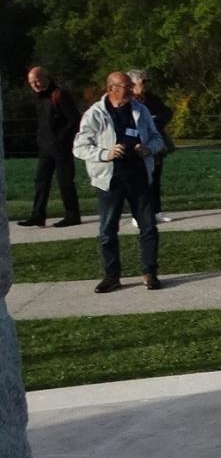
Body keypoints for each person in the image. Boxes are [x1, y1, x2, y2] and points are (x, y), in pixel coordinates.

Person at [73, 72, 168, 292]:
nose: (133, 90)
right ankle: (111, 275)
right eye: (127, 86)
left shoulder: (140, 110)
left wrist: (148, 149)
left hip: (139, 175)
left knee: (148, 226)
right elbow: (79, 147)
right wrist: (106, 153)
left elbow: (157, 138)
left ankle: (150, 272)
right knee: (107, 229)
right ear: (112, 88)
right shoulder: (94, 114)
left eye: (132, 86)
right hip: (109, 179)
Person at [19, 67, 81, 228]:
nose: (35, 84)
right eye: (32, 82)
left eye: (37, 80)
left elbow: (74, 119)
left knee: (65, 182)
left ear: (46, 77)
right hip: (45, 147)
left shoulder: (59, 95)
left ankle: (72, 215)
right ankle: (38, 215)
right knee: (41, 181)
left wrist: (61, 138)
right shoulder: (38, 97)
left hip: (61, 147)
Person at [127, 68, 177, 224]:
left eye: (147, 81)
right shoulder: (127, 101)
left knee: (155, 179)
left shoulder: (152, 99)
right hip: (136, 145)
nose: (146, 85)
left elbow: (166, 113)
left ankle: (156, 211)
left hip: (154, 145)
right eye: (143, 81)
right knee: (138, 181)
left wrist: (154, 122)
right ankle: (138, 214)